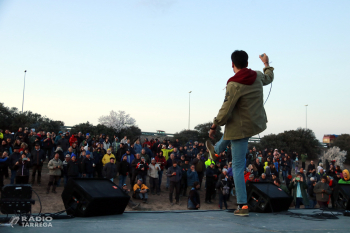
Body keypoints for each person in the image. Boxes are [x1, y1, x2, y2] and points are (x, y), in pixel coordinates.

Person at [207, 51, 274, 215]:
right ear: (247, 62)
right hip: (253, 124)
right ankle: (215, 151)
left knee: (237, 166)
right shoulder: (257, 76)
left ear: (232, 64)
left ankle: (242, 205)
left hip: (240, 129)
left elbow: (226, 109)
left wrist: (214, 125)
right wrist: (266, 64)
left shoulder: (234, 84)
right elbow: (269, 78)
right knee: (230, 133)